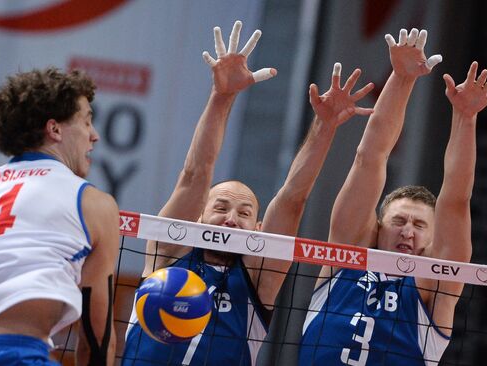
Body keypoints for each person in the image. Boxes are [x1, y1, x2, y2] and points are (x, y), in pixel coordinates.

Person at [122, 21, 374, 366]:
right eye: (221, 207)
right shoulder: (167, 253)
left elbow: (292, 199)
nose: (230, 219)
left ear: (257, 230)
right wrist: (222, 96)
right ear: (199, 218)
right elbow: (195, 176)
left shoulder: (258, 280)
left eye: (243, 214)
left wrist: (325, 126)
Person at [299, 28, 487, 365]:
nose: (408, 230)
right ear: (377, 228)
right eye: (399, 220)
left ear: (434, 238)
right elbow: (370, 158)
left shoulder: (433, 287)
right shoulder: (344, 258)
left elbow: (456, 200)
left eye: (420, 224)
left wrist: (465, 118)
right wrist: (402, 77)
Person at [0, 68, 120, 365]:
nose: (94, 136)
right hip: (15, 355)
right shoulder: (93, 203)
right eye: (86, 121)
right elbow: (97, 341)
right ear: (55, 129)